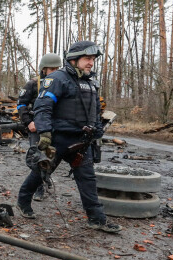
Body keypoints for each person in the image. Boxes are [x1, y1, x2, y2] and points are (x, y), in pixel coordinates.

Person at [16, 41, 121, 233]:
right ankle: (23, 201)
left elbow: (95, 111)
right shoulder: (57, 79)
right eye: (87, 59)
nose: (91, 63)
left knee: (88, 179)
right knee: (41, 173)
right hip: (58, 140)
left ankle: (97, 219)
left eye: (93, 59)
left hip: (82, 141)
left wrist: (97, 130)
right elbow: (43, 106)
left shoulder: (90, 82)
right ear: (74, 59)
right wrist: (45, 133)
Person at [17, 53, 62, 202]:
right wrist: (28, 122)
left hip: (53, 127)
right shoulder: (33, 84)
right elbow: (21, 105)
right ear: (44, 69)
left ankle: (45, 179)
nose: (54, 71)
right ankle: (38, 188)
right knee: (37, 158)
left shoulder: (61, 83)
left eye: (57, 68)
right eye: (51, 69)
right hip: (36, 127)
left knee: (51, 157)